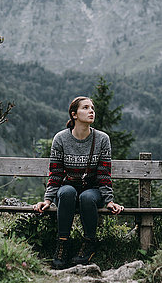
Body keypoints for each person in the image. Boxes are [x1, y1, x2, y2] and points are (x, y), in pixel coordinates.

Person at [33, 96, 124, 269]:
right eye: (86, 108)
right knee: (66, 192)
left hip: (92, 190)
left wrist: (109, 201)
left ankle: (89, 243)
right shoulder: (61, 139)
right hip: (68, 188)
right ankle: (62, 244)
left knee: (87, 197)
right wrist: (47, 200)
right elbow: (56, 173)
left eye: (92, 108)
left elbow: (104, 174)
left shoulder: (102, 139)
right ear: (74, 114)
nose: (91, 111)